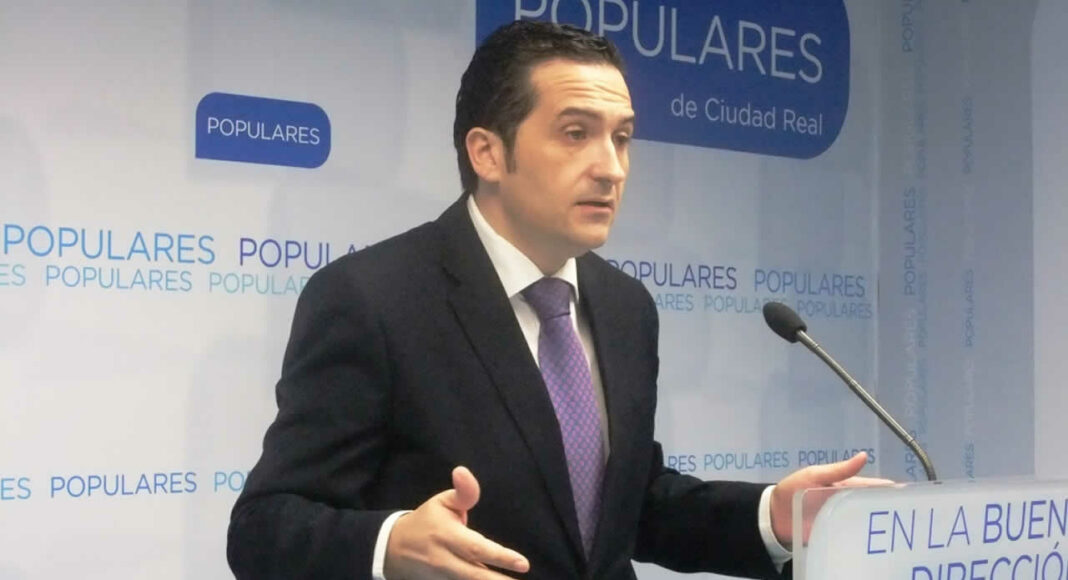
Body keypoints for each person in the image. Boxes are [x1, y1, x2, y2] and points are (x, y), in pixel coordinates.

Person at [227, 20, 872, 580]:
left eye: (621, 137)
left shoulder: (625, 307)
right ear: (487, 153)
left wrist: (770, 516)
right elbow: (263, 527)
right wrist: (391, 544)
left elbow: (627, 509)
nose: (611, 167)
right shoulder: (373, 299)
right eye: (575, 133)